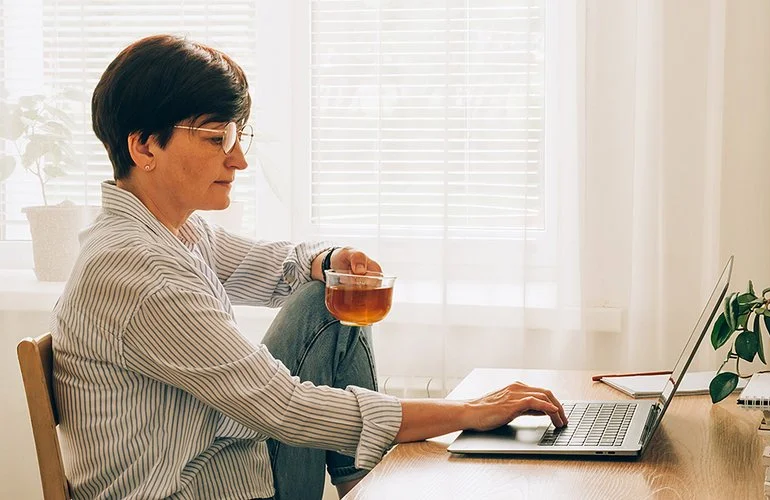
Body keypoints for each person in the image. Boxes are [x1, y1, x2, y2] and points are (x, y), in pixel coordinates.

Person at [51, 34, 567, 500]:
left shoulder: (171, 232)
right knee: (326, 315)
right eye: (217, 140)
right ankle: (372, 486)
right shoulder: (139, 271)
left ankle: (365, 486)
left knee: (327, 291)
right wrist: (466, 413)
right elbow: (285, 408)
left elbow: (271, 264)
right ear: (144, 146)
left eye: (237, 138)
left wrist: (327, 261)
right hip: (197, 490)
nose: (238, 161)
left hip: (230, 468)